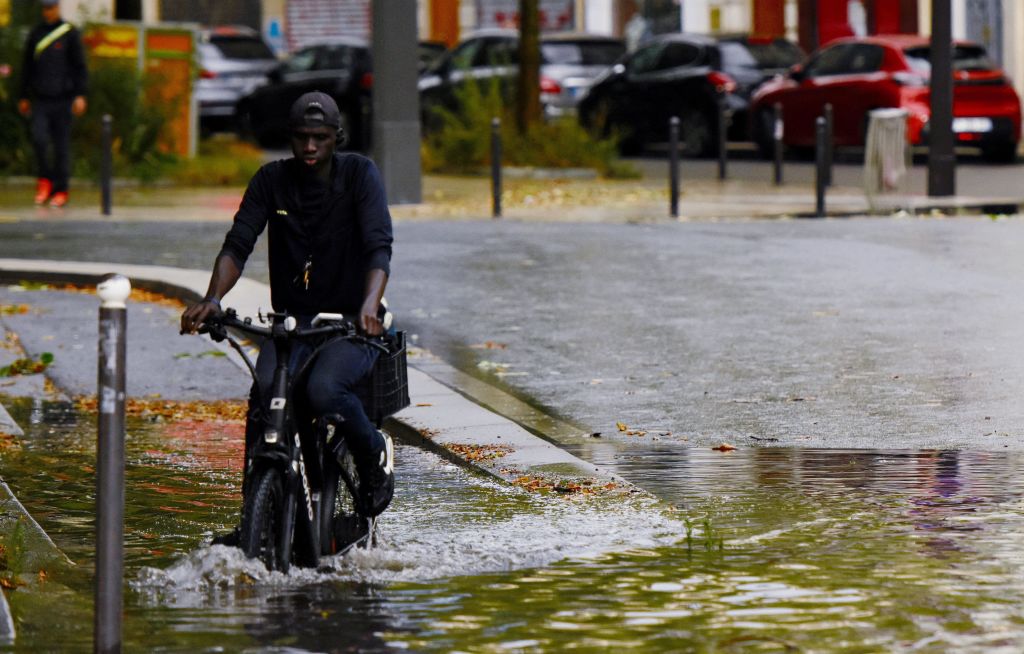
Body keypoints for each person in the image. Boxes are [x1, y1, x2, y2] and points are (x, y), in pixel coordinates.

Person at [180, 91, 395, 544]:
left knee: (324, 391)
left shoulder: (360, 175)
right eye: (302, 138)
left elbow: (379, 246)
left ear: (336, 137)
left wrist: (370, 305)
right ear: (291, 139)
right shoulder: (270, 181)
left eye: (320, 137)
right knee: (264, 400)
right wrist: (213, 299)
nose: (310, 147)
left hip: (349, 326)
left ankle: (375, 456)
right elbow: (238, 244)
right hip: (292, 325)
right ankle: (253, 519)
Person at [18, 0, 88, 209]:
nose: (47, 12)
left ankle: (61, 189)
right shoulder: (36, 34)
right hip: (41, 99)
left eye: (50, 7)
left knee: (61, 147)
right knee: (39, 139)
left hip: (63, 99)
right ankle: (44, 181)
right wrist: (23, 95)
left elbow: (79, 66)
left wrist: (80, 95)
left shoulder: (69, 33)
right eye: (44, 8)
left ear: (57, 8)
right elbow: (27, 67)